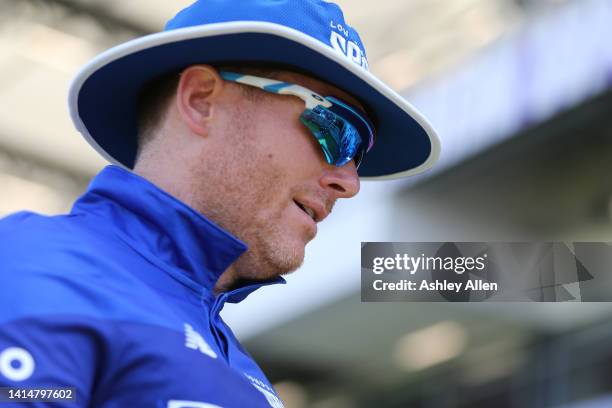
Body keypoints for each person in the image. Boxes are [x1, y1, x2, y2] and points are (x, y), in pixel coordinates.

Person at [0, 0, 439, 407]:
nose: (349, 181)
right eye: (337, 129)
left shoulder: (249, 376)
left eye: (358, 154)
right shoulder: (33, 267)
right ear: (201, 100)